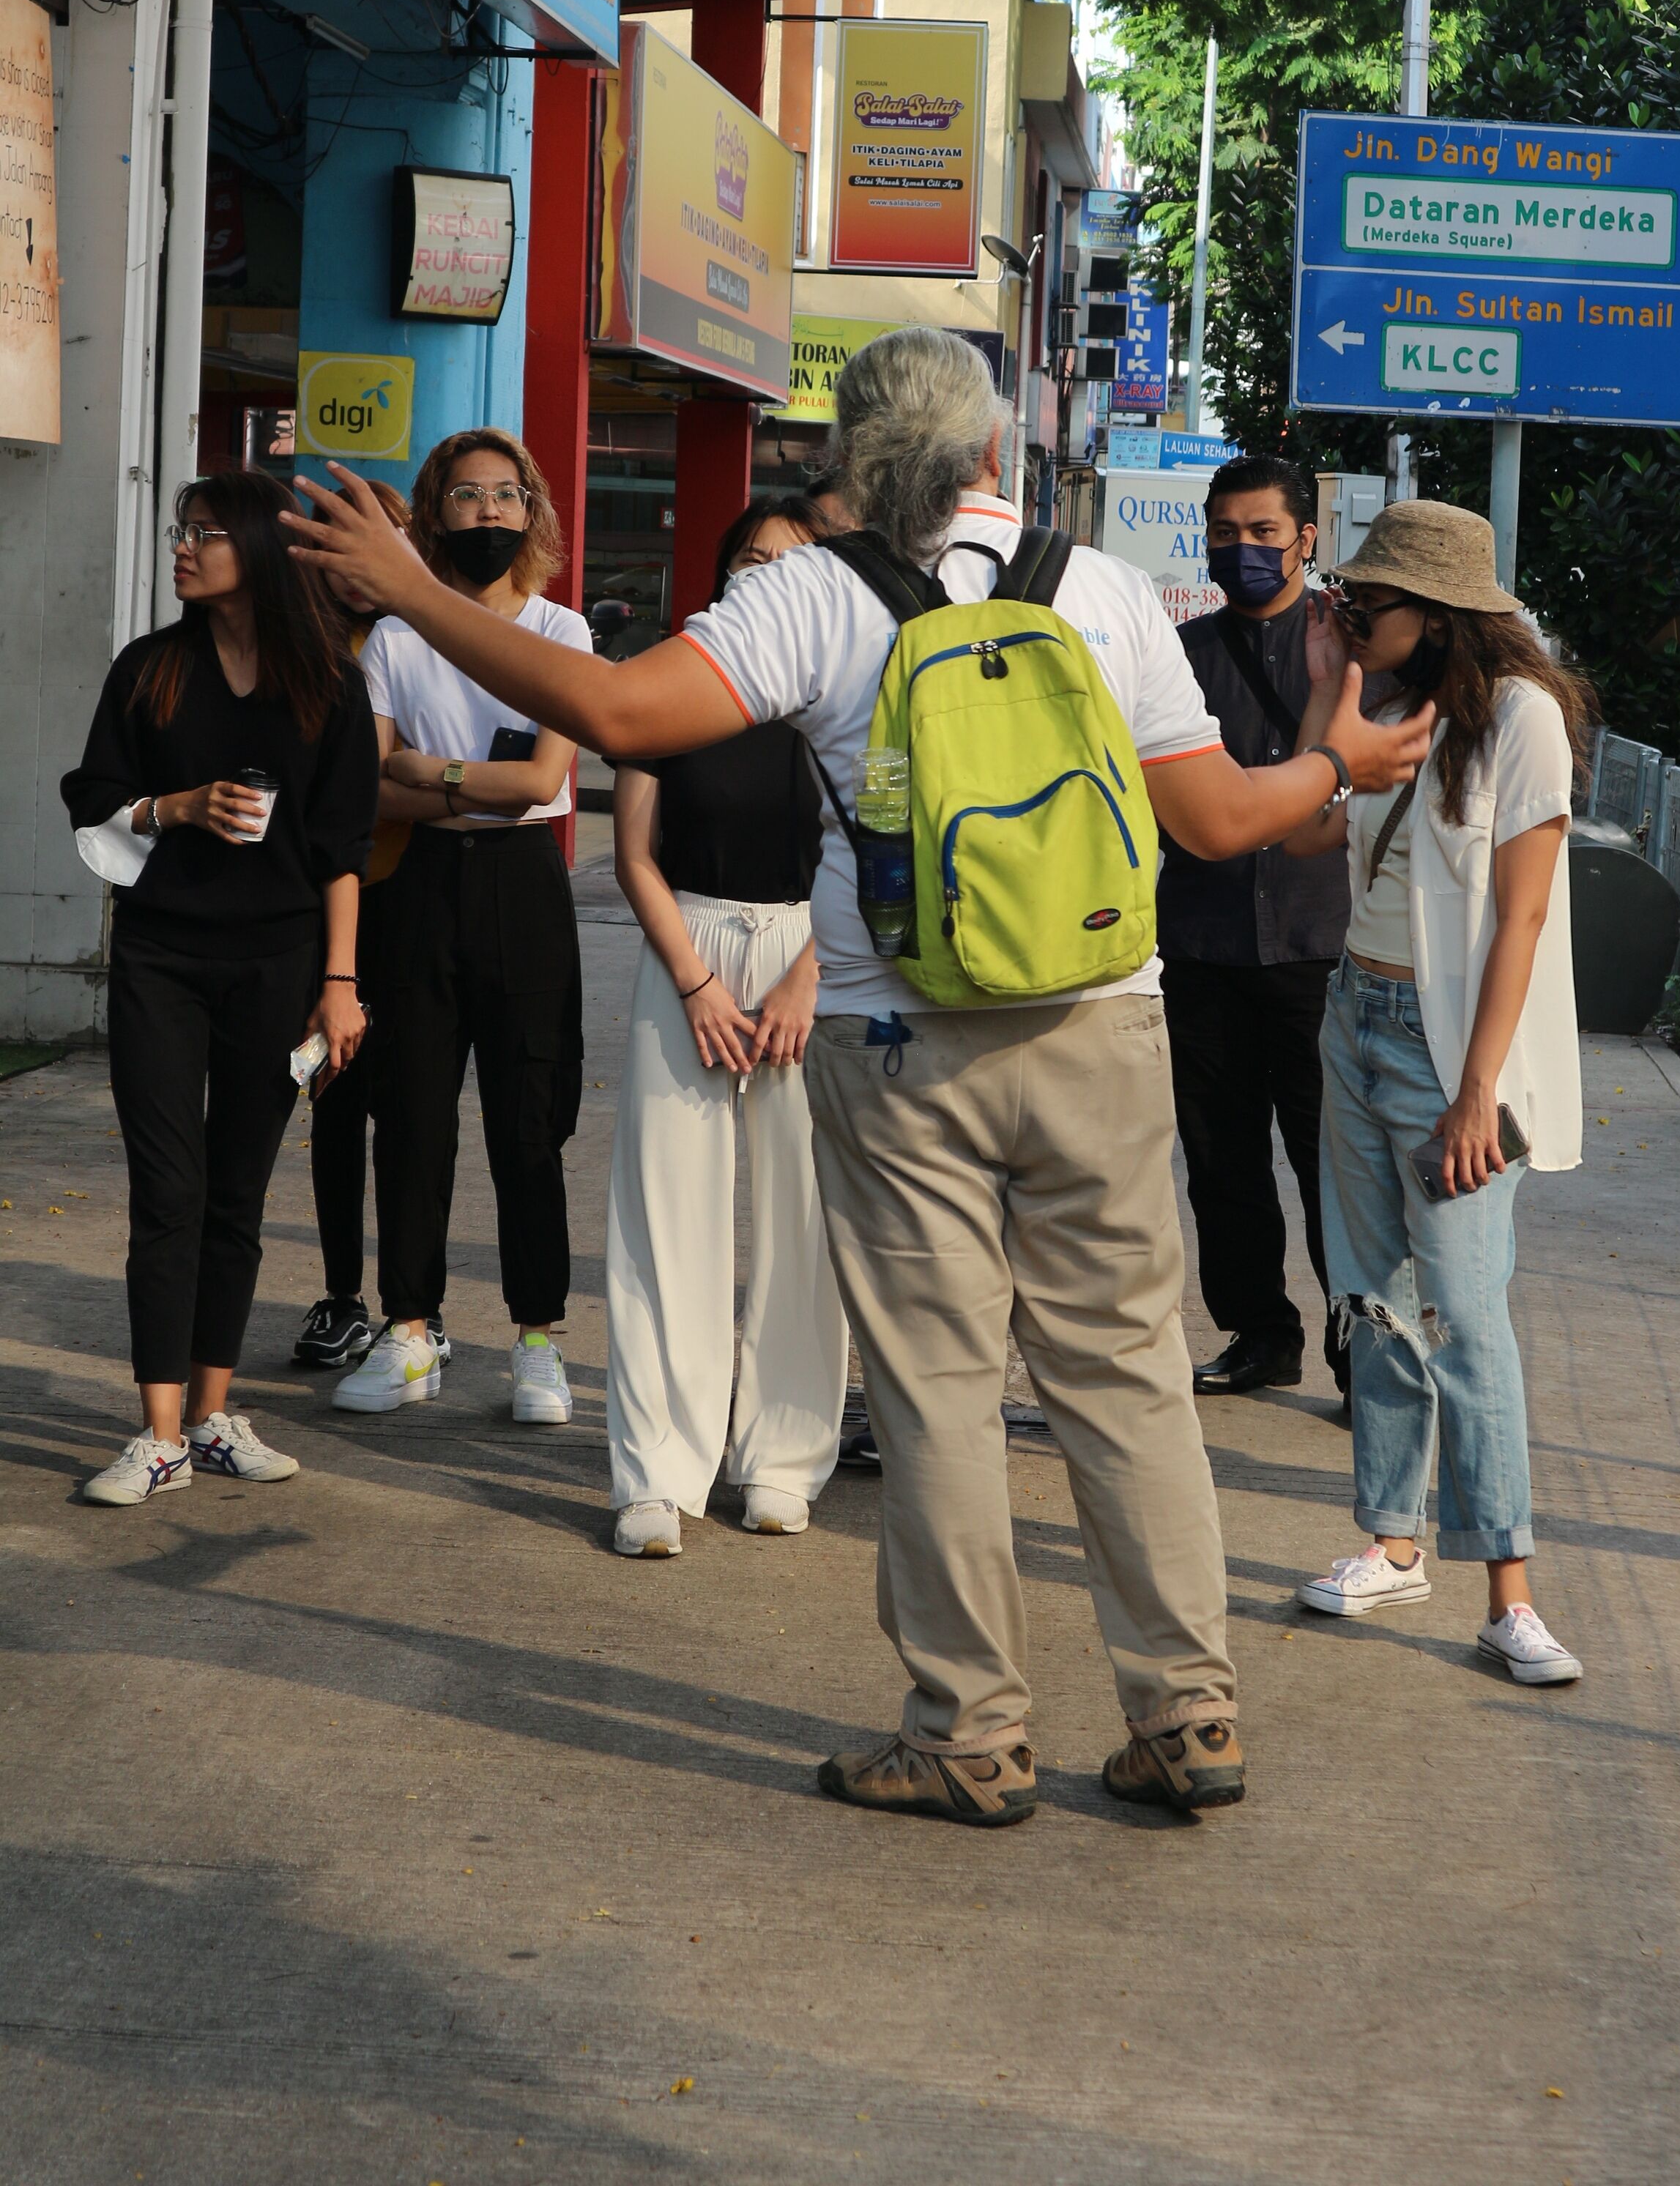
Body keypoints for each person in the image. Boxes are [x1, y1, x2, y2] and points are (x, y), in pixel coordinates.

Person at [282, 328, 1432, 1824]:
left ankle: (970, 1735)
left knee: (939, 1390)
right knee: (1129, 1376)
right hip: (1099, 1027)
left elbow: (615, 718)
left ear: (852, 463)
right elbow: (1218, 820)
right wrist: (1336, 766)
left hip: (894, 1041)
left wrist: (416, 596)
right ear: (986, 453)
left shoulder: (807, 598)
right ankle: (1186, 1714)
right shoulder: (1097, 592)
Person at [1282, 501, 1588, 1683]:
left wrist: (1477, 1093)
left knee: (1466, 1312)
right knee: (1372, 1296)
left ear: (1441, 613)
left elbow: (1522, 918)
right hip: (1354, 1018)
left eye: (1369, 606)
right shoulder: (1388, 704)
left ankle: (1511, 1592)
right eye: (1348, 604)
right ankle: (1392, 1541)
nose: (1349, 617)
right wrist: (1330, 686)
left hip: (1446, 1049)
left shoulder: (1524, 720)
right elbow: (1307, 831)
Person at [63, 472, 377, 1504]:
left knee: (237, 1194)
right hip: (160, 957)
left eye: (205, 533)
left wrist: (340, 985)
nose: (184, 548)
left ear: (259, 548)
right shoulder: (150, 670)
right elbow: (97, 804)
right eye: (179, 532)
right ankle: (156, 1436)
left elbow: (340, 850)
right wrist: (175, 806)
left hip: (281, 963)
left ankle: (211, 1414)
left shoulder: (326, 680)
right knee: (170, 1191)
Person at [328, 429, 590, 1425]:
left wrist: (427, 773)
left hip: (527, 889)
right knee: (412, 1116)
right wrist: (468, 789)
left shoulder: (563, 634)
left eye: (505, 496)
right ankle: (408, 1333)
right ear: (432, 512)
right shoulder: (397, 637)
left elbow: (542, 782)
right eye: (466, 495)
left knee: (530, 1120)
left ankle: (537, 1342)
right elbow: (373, 784)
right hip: (420, 891)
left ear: (533, 513)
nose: (487, 513)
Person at [605, 494, 848, 1555]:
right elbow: (633, 854)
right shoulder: (669, 678)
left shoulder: (849, 692)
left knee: (807, 1218)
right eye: (749, 557)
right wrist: (699, 983)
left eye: (790, 561)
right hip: (686, 947)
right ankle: (659, 1472)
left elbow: (870, 852)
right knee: (666, 1215)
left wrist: (804, 977)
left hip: (816, 950)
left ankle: (785, 1458)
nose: (765, 573)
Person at [1160, 456, 1352, 1404]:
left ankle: (1363, 1362)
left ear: (1305, 538)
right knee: (1222, 1160)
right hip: (1203, 945)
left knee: (1337, 1168)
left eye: (1264, 533)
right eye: (1225, 534)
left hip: (1321, 951)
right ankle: (1258, 1334)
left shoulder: (1354, 654)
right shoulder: (1179, 657)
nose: (1244, 550)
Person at [289, 480, 450, 1372]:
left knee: (418, 1115)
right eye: (339, 545)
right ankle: (343, 1296)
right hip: (323, 907)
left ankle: (414, 1308)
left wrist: (427, 782)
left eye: (382, 541)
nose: (359, 564)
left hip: (416, 898)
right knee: (336, 1105)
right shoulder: (294, 650)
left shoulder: (433, 637)